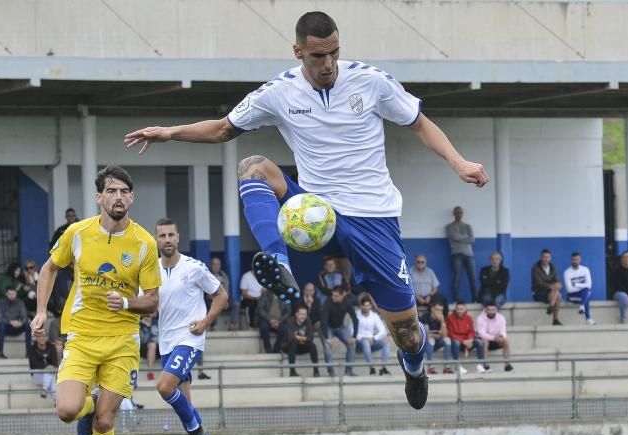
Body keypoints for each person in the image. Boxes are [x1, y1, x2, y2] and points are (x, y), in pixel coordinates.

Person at [124, 10, 489, 410]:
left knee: (407, 332)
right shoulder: (279, 92)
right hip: (317, 213)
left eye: (334, 52)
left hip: (374, 219)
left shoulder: (370, 81)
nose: (328, 63)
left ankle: (414, 367)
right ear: (298, 51)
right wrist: (170, 133)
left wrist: (459, 163)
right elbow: (224, 128)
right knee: (253, 166)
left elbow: (419, 123)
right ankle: (277, 258)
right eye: (318, 55)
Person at [30, 165, 160, 435]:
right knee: (67, 410)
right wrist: (42, 311)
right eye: (111, 191)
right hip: (83, 336)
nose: (118, 197)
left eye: (124, 191)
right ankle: (85, 409)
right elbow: (49, 268)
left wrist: (129, 302)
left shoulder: (145, 242)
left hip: (122, 342)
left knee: (106, 419)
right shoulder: (77, 233)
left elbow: (153, 299)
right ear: (99, 197)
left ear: (131, 197)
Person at [153, 217, 227, 435]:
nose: (167, 240)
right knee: (184, 401)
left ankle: (195, 433)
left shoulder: (194, 267)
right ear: (156, 239)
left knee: (164, 387)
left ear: (178, 237)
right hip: (167, 342)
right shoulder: (151, 270)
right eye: (162, 236)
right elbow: (149, 303)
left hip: (189, 339)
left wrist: (205, 322)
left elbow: (221, 295)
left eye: (171, 235)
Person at [321, 286, 359, 376]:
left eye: (336, 296)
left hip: (340, 327)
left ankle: (348, 371)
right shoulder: (328, 302)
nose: (333, 297)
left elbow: (355, 320)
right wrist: (327, 338)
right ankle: (331, 373)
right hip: (328, 327)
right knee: (327, 347)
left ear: (343, 295)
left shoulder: (347, 303)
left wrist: (354, 336)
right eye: (333, 295)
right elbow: (324, 321)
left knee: (352, 345)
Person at [446, 301, 488, 374]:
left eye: (461, 309)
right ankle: (457, 366)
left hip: (468, 341)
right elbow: (450, 333)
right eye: (458, 309)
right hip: (458, 341)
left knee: (480, 342)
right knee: (456, 342)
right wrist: (463, 341)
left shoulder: (469, 318)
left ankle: (480, 365)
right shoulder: (450, 318)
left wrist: (470, 340)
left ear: (465, 309)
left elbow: (471, 331)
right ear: (455, 309)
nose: (459, 311)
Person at [446, 206, 477, 302]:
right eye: (457, 212)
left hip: (469, 255)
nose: (459, 214)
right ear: (454, 214)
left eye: (460, 212)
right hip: (456, 254)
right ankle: (455, 299)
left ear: (463, 213)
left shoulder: (467, 226)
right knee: (457, 278)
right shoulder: (449, 227)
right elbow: (453, 237)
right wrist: (465, 237)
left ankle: (475, 299)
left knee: (473, 278)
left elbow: (472, 239)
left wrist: (458, 238)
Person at [355, 296, 390, 376]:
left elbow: (383, 331)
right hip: (359, 343)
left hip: (371, 341)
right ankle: (372, 369)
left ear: (371, 306)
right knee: (365, 342)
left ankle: (383, 368)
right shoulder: (356, 315)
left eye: (368, 305)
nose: (366, 307)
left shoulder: (374, 316)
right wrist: (362, 338)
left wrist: (374, 338)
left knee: (386, 344)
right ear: (361, 306)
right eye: (364, 305)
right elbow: (351, 332)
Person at [0, 286, 31, 359]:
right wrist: (10, 322)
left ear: (16, 294)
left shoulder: (20, 302)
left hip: (16, 327)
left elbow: (24, 317)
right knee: (1, 325)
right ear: (6, 294)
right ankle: (0, 352)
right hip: (4, 327)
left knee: (28, 325)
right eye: (9, 294)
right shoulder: (0, 302)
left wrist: (20, 323)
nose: (11, 296)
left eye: (13, 294)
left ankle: (28, 352)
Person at [282, 304, 319, 377]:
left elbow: (310, 337)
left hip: (302, 346)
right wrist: (303, 338)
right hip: (288, 347)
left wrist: (299, 337)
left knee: (313, 346)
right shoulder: (290, 321)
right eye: (301, 314)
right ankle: (292, 371)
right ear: (296, 314)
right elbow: (290, 337)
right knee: (293, 343)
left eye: (305, 314)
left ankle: (316, 371)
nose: (303, 316)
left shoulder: (308, 321)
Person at [475, 303, 513, 372]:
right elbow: (481, 334)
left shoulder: (501, 318)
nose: (491, 312)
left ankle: (507, 365)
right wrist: (494, 338)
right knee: (485, 341)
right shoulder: (480, 318)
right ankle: (485, 365)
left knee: (505, 341)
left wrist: (501, 337)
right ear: (485, 310)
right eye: (489, 310)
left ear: (496, 310)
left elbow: (503, 331)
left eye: (493, 310)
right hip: (485, 340)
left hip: (496, 340)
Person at [410, 254, 447, 321]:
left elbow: (435, 287)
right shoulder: (410, 271)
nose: (420, 263)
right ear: (415, 262)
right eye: (418, 262)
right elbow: (407, 288)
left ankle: (443, 321)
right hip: (415, 296)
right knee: (409, 301)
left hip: (429, 296)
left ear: (425, 262)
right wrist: (417, 297)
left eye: (422, 262)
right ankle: (416, 324)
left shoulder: (430, 271)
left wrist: (429, 295)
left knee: (443, 299)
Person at [206, 256, 239, 331]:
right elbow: (208, 294)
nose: (216, 266)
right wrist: (219, 300)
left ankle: (232, 324)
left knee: (236, 303)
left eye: (218, 264)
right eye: (214, 264)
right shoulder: (207, 275)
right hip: (212, 299)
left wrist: (225, 300)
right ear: (211, 265)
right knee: (213, 304)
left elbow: (227, 290)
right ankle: (212, 326)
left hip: (224, 298)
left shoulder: (224, 275)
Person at [531, 249, 563, 325]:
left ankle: (551, 306)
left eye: (548, 257)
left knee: (557, 292)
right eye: (544, 257)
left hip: (551, 293)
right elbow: (538, 283)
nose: (546, 259)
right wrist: (551, 286)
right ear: (541, 258)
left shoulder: (552, 267)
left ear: (550, 258)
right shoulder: (535, 268)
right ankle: (555, 319)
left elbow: (556, 280)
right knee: (557, 294)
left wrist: (559, 284)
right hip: (538, 292)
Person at [425, 302, 457, 374]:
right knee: (431, 340)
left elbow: (445, 335)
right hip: (426, 344)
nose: (439, 312)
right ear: (432, 309)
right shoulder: (426, 316)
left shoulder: (442, 318)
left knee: (447, 340)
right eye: (437, 310)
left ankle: (447, 367)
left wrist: (442, 321)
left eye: (441, 310)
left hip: (436, 343)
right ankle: (430, 367)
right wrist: (437, 335)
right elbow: (426, 334)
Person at [563, 252, 594, 325]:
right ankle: (588, 318)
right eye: (573, 260)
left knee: (587, 291)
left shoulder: (585, 269)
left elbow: (589, 285)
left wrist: (576, 284)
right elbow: (569, 289)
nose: (575, 261)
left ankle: (582, 307)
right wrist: (582, 285)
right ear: (571, 260)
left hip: (582, 295)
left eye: (577, 259)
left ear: (580, 260)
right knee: (587, 295)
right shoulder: (567, 272)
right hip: (571, 297)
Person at [257, 288, 290, 354]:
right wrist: (270, 319)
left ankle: (276, 349)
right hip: (267, 319)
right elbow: (260, 309)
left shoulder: (285, 295)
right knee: (264, 327)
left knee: (284, 329)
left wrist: (279, 321)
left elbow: (288, 312)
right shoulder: (265, 294)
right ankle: (268, 349)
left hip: (280, 321)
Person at [28, 334, 59, 400]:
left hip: (51, 374)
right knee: (50, 374)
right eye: (39, 336)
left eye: (44, 336)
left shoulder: (52, 347)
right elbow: (33, 364)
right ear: (36, 338)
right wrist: (46, 367)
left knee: (50, 374)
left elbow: (55, 363)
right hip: (37, 375)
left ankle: (45, 389)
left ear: (47, 337)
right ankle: (56, 400)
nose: (42, 338)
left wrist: (50, 367)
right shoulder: (32, 348)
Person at [612, 251, 628, 324]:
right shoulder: (616, 271)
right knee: (624, 297)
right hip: (619, 293)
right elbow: (618, 286)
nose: (626, 259)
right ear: (621, 259)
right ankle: (623, 319)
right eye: (624, 257)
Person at [139, 313, 159, 381]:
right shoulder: (139, 325)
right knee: (152, 344)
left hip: (158, 349)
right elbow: (142, 340)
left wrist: (150, 326)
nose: (147, 317)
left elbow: (160, 338)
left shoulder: (156, 324)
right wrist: (147, 326)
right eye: (145, 315)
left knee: (153, 344)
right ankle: (150, 371)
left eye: (148, 316)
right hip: (143, 349)